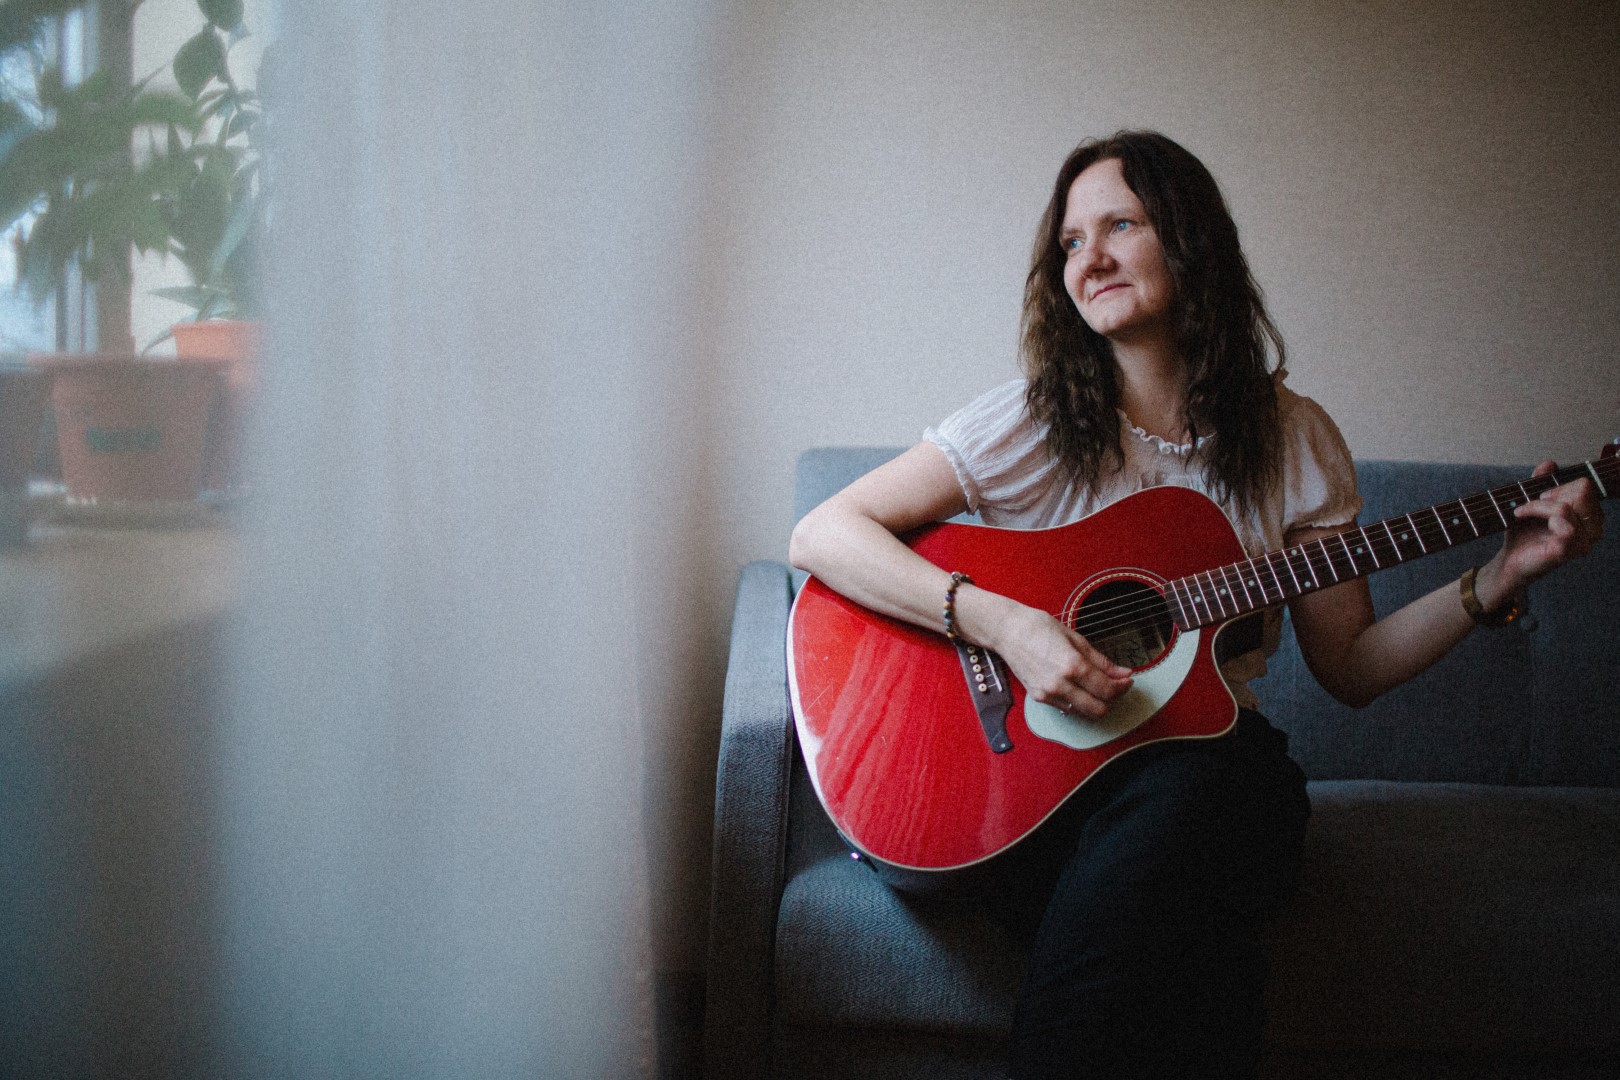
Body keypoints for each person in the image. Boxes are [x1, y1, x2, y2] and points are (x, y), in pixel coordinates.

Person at [787, 130, 1604, 1079]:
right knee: (1205, 903)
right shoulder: (1030, 421)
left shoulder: (1293, 438)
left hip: (1202, 780)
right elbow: (824, 535)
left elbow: (1352, 666)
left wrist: (1501, 577)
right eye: (1069, 243)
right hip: (1039, 792)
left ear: (1188, 239)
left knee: (1212, 782)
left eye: (1119, 225)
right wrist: (1006, 624)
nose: (1086, 258)